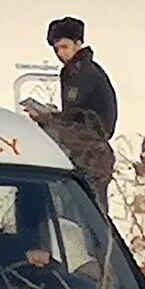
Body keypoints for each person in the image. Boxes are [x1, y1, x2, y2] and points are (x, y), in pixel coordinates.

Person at [35, 17, 119, 210]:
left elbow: (80, 119)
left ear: (78, 44)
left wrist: (49, 119)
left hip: (89, 154)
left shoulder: (83, 75)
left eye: (64, 47)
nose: (60, 53)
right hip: (84, 152)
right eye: (56, 49)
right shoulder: (79, 72)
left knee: (88, 213)